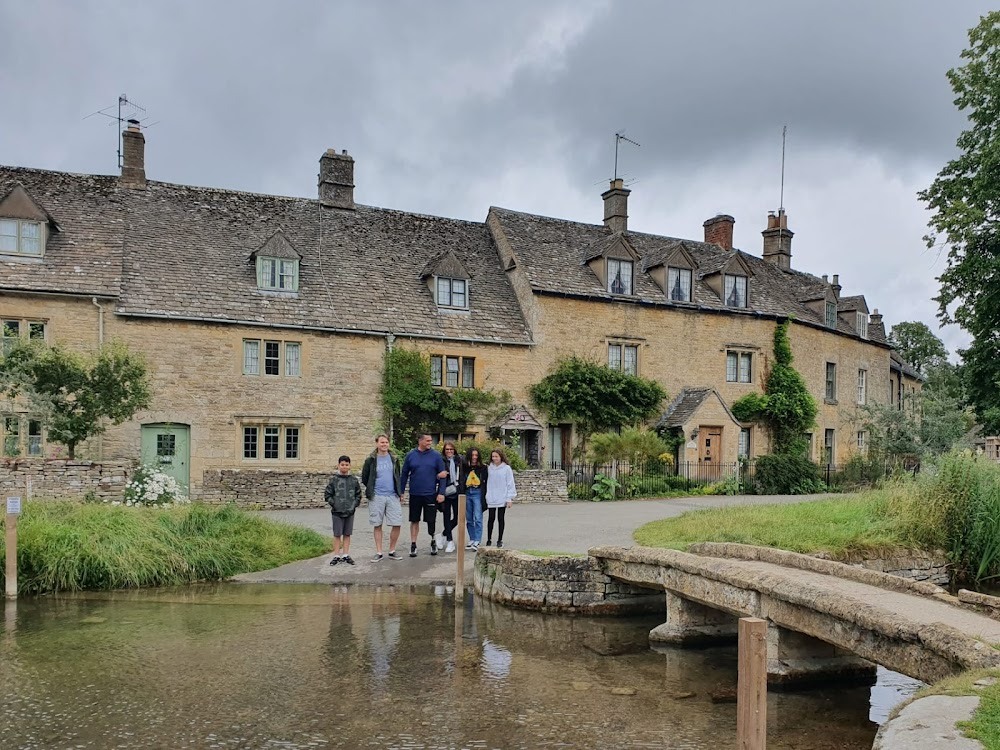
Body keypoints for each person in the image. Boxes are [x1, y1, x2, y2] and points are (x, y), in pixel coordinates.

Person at [399, 433, 447, 557]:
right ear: (420, 441)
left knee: (431, 520)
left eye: (431, 440)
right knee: (414, 520)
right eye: (427, 440)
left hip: (430, 494)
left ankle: (432, 541)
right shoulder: (411, 455)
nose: (430, 443)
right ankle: (413, 544)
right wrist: (401, 491)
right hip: (415, 494)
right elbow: (404, 474)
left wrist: (441, 493)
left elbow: (443, 475)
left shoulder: (436, 456)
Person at [361, 434, 404, 562]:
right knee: (377, 524)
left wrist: (399, 492)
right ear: (377, 443)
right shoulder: (371, 460)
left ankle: (392, 550)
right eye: (382, 442)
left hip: (392, 495)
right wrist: (371, 488)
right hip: (377, 496)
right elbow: (365, 477)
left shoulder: (394, 459)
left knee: (397, 523)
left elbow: (397, 476)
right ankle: (379, 552)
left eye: (386, 442)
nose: (384, 444)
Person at [324, 455, 362, 565]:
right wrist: (334, 504)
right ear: (338, 465)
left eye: (346, 465)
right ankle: (336, 555)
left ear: (349, 466)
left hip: (350, 511)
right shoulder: (333, 480)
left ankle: (345, 554)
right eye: (342, 464)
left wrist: (353, 505)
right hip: (337, 511)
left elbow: (358, 495)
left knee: (347, 533)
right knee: (337, 534)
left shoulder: (354, 480)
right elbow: (327, 494)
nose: (344, 467)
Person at [485, 448, 516, 548]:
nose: (494, 458)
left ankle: (500, 539)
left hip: (502, 496)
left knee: (500, 518)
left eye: (496, 457)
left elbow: (510, 483)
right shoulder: (489, 468)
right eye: (493, 457)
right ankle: (489, 539)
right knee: (491, 518)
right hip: (491, 496)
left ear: (501, 457)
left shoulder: (506, 468)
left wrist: (509, 498)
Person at [460, 447, 488, 550]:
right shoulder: (465, 467)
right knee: (469, 518)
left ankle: (477, 540)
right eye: (472, 455)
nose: (474, 457)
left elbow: (485, 482)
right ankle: (471, 538)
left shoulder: (483, 468)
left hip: (477, 493)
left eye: (476, 455)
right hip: (467, 492)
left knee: (478, 517)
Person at [438, 442, 463, 553]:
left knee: (458, 518)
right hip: (446, 491)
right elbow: (436, 475)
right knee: (446, 516)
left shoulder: (459, 460)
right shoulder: (441, 461)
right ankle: (450, 541)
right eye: (447, 449)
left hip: (457, 491)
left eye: (451, 449)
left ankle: (443, 534)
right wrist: (438, 476)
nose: (449, 451)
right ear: (444, 451)